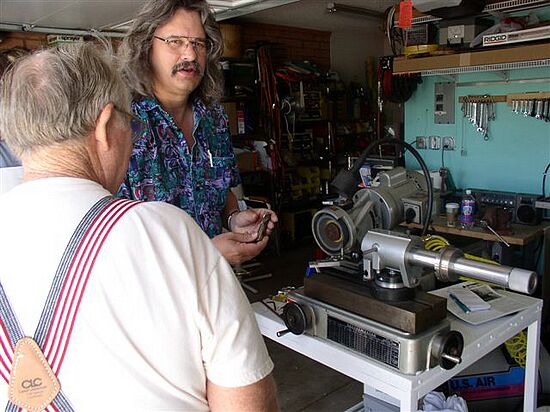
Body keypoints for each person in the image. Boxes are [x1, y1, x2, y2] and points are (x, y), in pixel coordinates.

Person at [0, 42, 278, 410]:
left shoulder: (210, 120)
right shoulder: (167, 233)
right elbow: (247, 403)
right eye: (130, 124)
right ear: (105, 126)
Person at [117, 0, 277, 265]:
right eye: (175, 42)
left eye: (198, 43)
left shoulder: (214, 117)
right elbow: (114, 239)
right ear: (145, 47)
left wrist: (233, 218)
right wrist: (207, 255)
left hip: (212, 282)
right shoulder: (122, 124)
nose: (190, 55)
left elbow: (218, 189)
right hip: (152, 286)